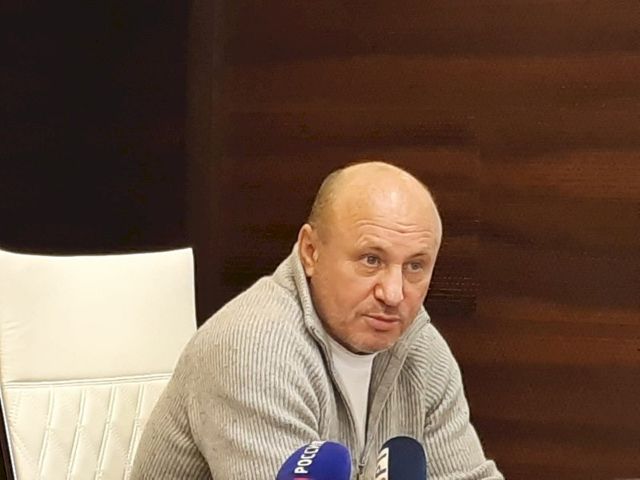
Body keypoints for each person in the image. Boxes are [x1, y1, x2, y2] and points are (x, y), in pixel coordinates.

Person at [131, 161, 503, 479]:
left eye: (415, 266)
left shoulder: (419, 349)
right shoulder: (253, 350)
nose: (393, 293)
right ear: (311, 252)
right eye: (371, 260)